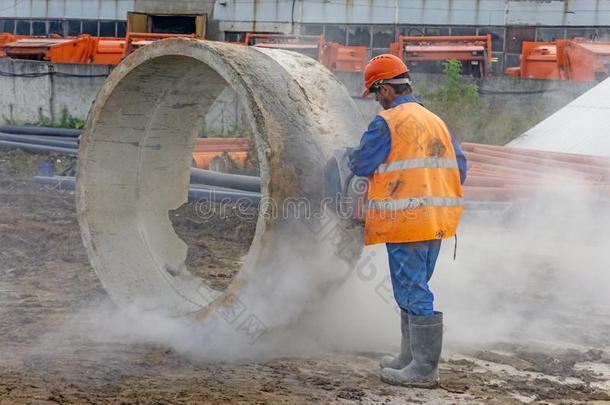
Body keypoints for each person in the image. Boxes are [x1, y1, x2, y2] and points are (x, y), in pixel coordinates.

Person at [347, 54, 467, 388]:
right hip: (437, 220)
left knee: (412, 290)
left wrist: (346, 155)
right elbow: (462, 167)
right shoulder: (434, 120)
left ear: (385, 88)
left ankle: (424, 369)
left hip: (407, 219)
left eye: (375, 93)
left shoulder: (387, 123)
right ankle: (411, 358)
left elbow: (362, 163)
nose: (375, 100)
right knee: (415, 286)